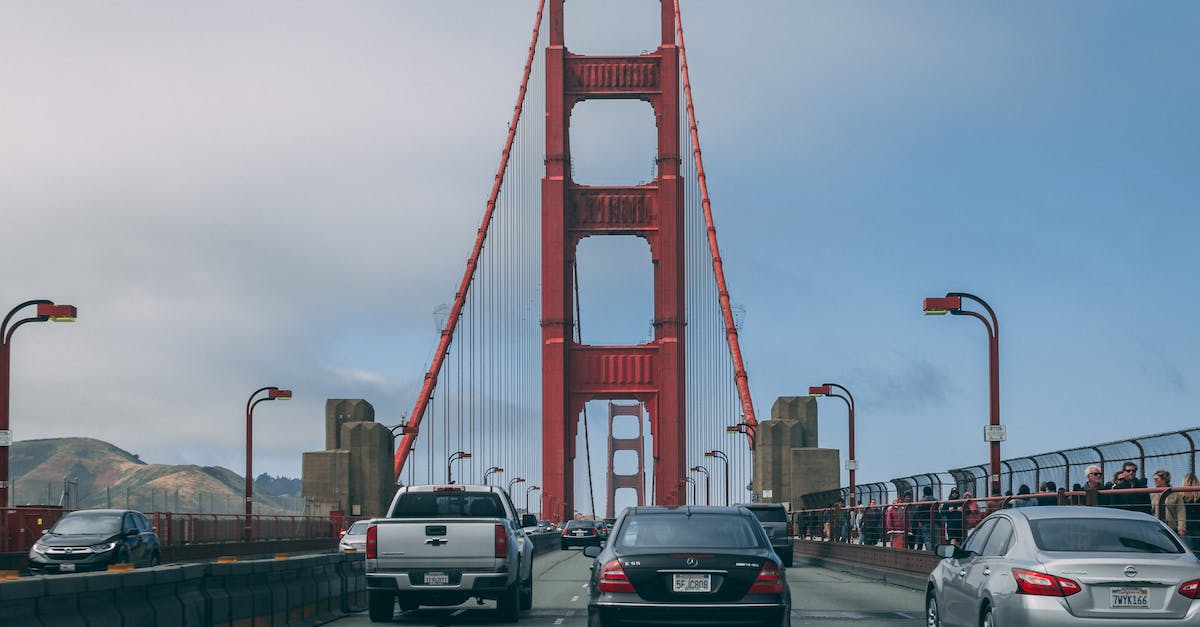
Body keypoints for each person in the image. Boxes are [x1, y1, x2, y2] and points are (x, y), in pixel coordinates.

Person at [1149, 469, 1185, 540]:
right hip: (1155, 526)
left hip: (1171, 527)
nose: (1154, 481)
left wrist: (1181, 528)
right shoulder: (1152, 493)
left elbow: (1181, 511)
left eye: (1157, 479)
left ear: (1164, 480)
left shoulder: (1175, 494)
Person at [1181, 472, 1200, 552]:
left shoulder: (1181, 498)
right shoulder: (1198, 498)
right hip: (1198, 529)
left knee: (1188, 552)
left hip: (1186, 529)